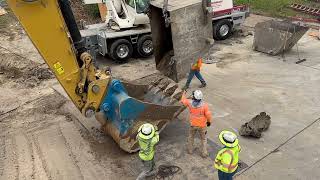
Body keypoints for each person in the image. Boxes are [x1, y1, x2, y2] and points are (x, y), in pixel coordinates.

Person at [180, 89, 212, 157]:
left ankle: (190, 150)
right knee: (203, 139)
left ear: (194, 97)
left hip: (193, 125)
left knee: (191, 137)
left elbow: (183, 101)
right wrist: (209, 122)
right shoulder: (205, 106)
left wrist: (184, 93)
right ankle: (204, 153)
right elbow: (208, 115)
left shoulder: (189, 103)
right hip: (202, 125)